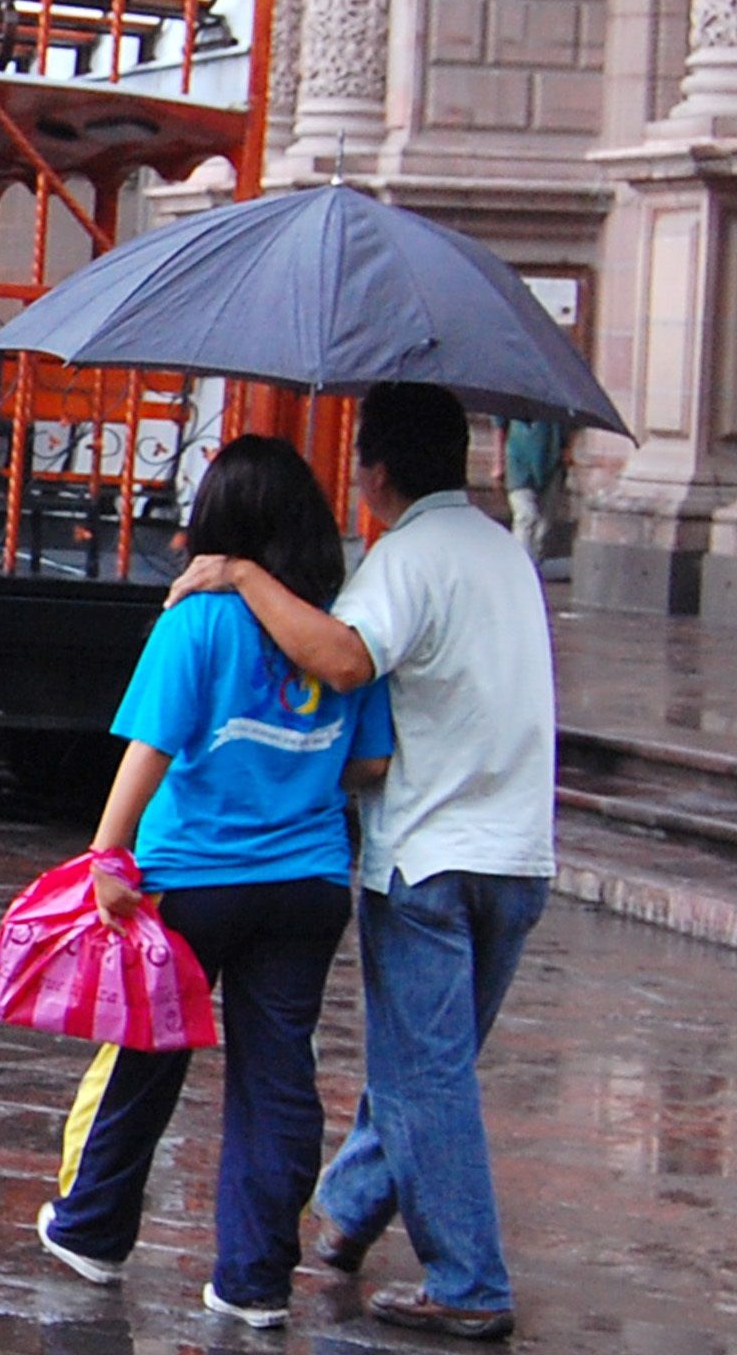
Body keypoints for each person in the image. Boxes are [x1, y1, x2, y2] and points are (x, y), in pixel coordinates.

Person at [173, 383, 554, 1342]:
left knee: (424, 1075)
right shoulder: (504, 552)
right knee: (431, 1061)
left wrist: (243, 575)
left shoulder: (407, 557)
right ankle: (346, 1211)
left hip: (431, 852)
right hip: (518, 851)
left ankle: (468, 1281)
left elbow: (342, 660)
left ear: (376, 471)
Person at [35, 437, 395, 1329]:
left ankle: (92, 1229)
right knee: (279, 1079)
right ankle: (256, 1281)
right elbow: (373, 764)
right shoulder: (337, 633)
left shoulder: (196, 622)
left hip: (192, 881)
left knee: (146, 1058)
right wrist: (296, 765)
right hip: (309, 882)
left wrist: (105, 857)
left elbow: (149, 750)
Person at [497, 416, 564, 569]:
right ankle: (519, 568)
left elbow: (576, 425)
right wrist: (498, 461)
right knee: (526, 516)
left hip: (552, 464)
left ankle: (534, 566)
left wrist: (569, 448)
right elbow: (499, 425)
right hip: (518, 464)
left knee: (543, 529)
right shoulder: (515, 402)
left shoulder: (563, 404)